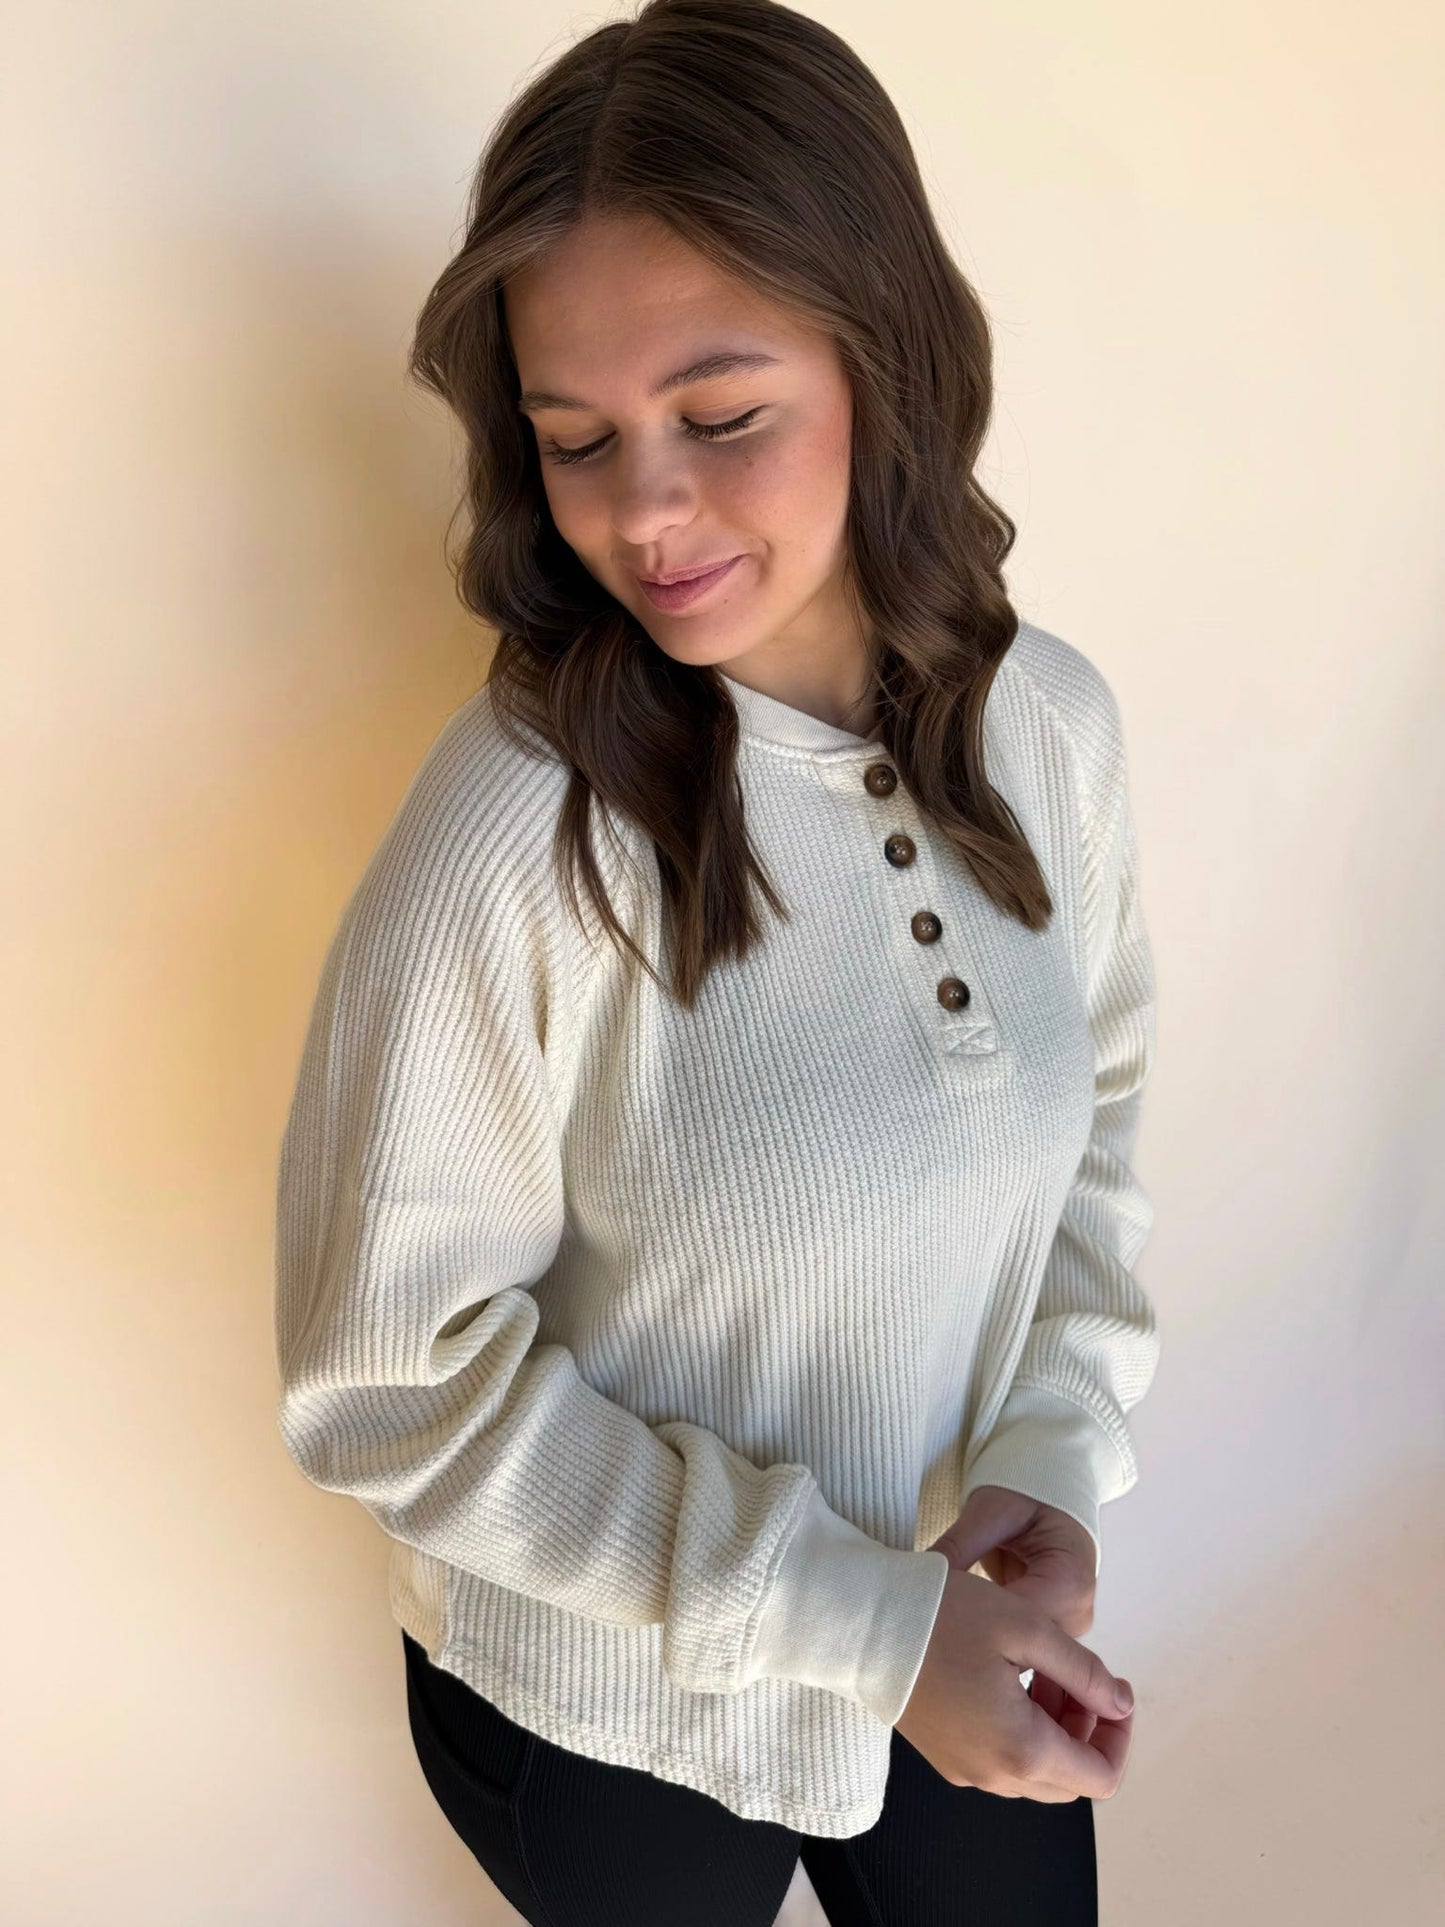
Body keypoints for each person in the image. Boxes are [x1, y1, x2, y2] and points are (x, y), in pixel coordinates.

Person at [272, 1, 1158, 1920]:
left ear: (883, 353)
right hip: (608, 1706)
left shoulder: (1049, 734)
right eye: (574, 440)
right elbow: (384, 1378)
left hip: (950, 1616)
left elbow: (1094, 1114)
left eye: (722, 415)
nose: (644, 514)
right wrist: (862, 1622)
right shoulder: (522, 830)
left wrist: (1052, 1454)